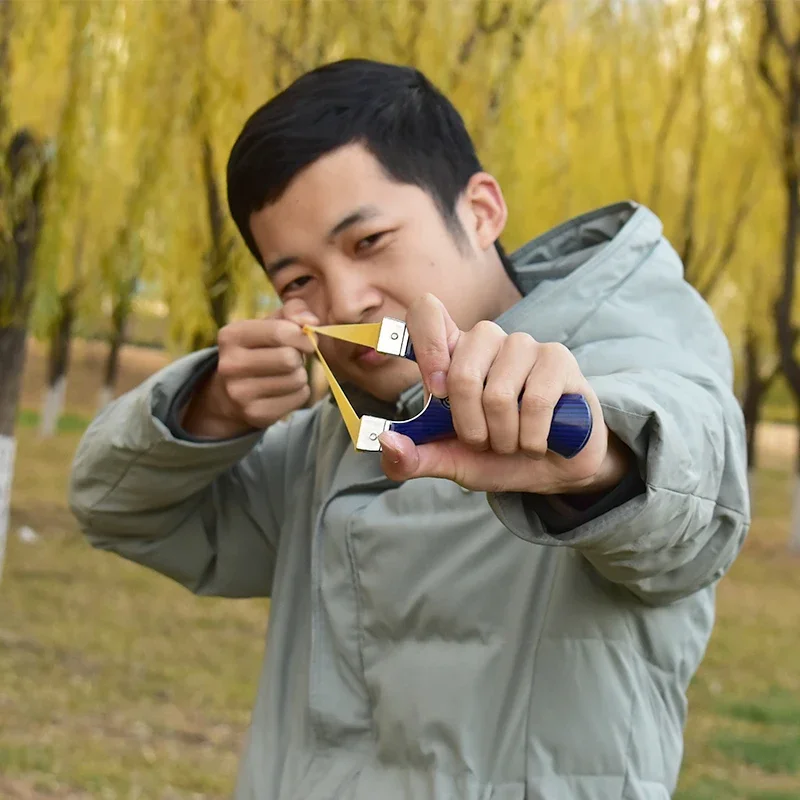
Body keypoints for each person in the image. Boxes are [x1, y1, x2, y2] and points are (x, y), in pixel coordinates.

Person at [69, 59, 749, 800]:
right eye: (297, 280)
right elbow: (114, 505)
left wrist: (594, 459)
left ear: (482, 210)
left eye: (368, 242)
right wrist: (208, 410)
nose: (346, 297)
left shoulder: (625, 358)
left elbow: (695, 505)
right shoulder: (328, 439)